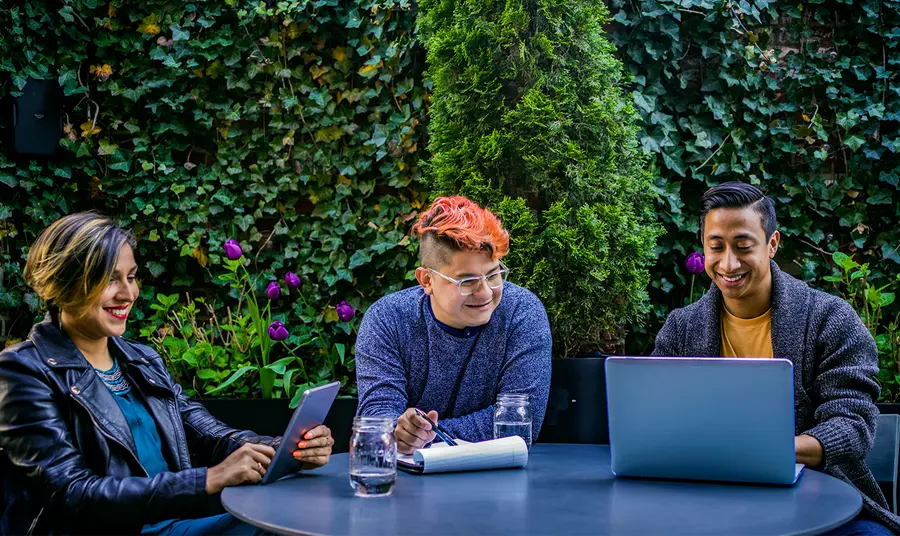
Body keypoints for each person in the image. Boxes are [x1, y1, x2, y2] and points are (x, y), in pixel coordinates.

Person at [0, 213, 334, 535]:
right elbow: (72, 494)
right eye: (108, 280)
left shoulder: (141, 360)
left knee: (303, 514)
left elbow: (208, 434)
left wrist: (284, 449)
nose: (128, 294)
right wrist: (207, 480)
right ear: (63, 284)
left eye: (130, 277)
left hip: (177, 524)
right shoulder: (23, 371)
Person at [653, 182, 900, 535]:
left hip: (822, 501)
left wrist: (766, 452)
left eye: (743, 246)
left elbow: (853, 425)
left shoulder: (830, 319)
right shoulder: (681, 328)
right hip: (707, 501)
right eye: (716, 247)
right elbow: (659, 420)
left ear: (772, 244)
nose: (728, 263)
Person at [355, 196, 552, 454]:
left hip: (500, 483)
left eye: (493, 275)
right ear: (426, 280)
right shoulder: (387, 320)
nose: (485, 293)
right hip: (411, 486)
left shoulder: (522, 312)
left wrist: (425, 439)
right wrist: (398, 430)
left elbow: (520, 423)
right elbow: (379, 421)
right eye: (467, 281)